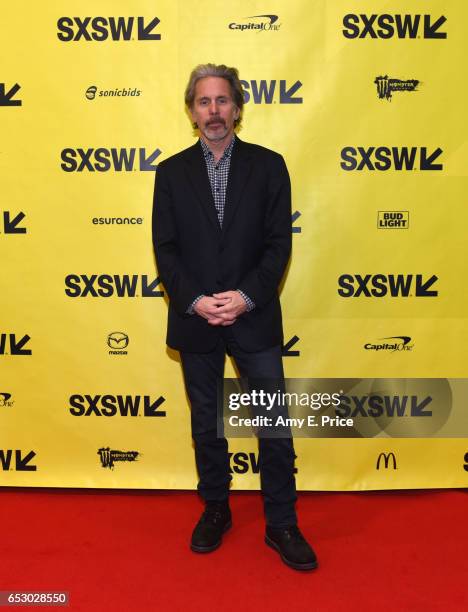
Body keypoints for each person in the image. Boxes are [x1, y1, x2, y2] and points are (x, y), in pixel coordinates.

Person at [152, 63, 317, 571]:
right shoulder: (172, 172)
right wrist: (196, 300)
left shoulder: (270, 166)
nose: (214, 111)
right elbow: (166, 248)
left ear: (238, 108)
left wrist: (244, 296)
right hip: (195, 316)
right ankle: (216, 509)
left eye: (222, 100)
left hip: (254, 315)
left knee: (272, 423)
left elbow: (276, 245)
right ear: (191, 111)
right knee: (208, 423)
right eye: (204, 102)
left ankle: (282, 522)